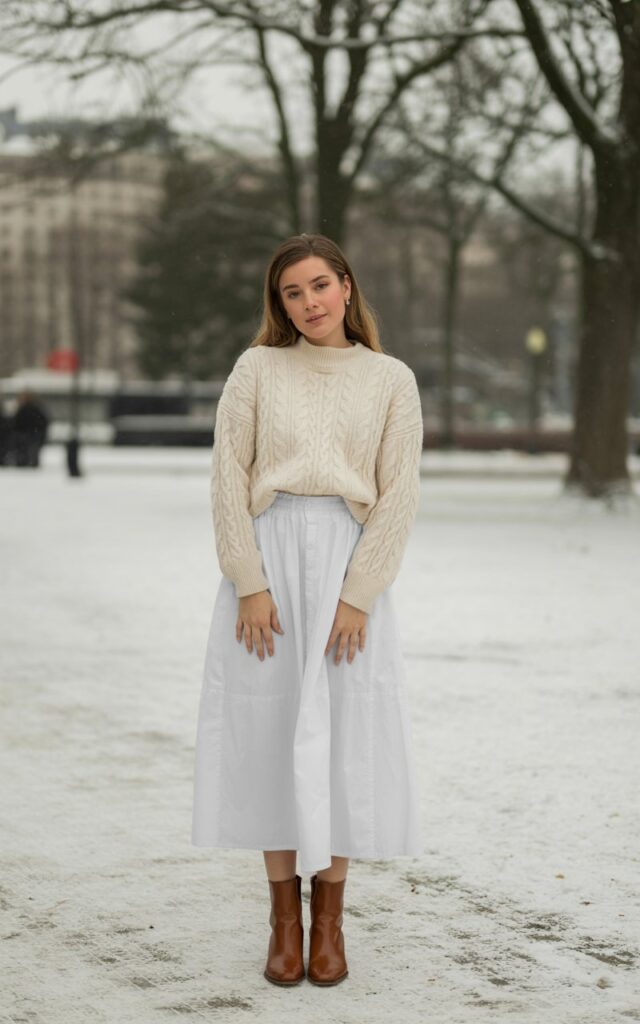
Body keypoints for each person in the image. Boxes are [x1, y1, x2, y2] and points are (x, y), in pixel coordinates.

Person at [191, 233, 424, 987]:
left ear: (347, 286)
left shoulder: (391, 380)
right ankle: (283, 923)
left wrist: (360, 594)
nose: (310, 303)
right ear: (278, 303)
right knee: (269, 731)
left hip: (348, 562)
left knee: (344, 736)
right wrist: (248, 579)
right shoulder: (256, 369)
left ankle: (330, 920)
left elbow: (399, 494)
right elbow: (229, 474)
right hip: (270, 560)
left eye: (320, 285)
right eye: (293, 293)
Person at [11, 389, 50, 468]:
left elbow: (42, 422)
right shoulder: (23, 409)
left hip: (31, 436)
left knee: (30, 455)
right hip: (26, 436)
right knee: (24, 455)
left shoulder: (34, 408)